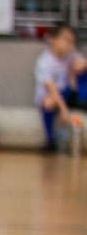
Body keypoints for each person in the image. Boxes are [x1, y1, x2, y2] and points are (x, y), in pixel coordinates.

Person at [34, 23, 86, 152]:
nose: (69, 45)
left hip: (70, 92)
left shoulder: (72, 55)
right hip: (55, 96)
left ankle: (83, 99)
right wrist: (63, 110)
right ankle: (50, 140)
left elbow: (82, 63)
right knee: (49, 102)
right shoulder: (45, 62)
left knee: (81, 69)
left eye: (71, 41)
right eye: (65, 40)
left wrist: (80, 66)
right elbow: (52, 89)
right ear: (53, 39)